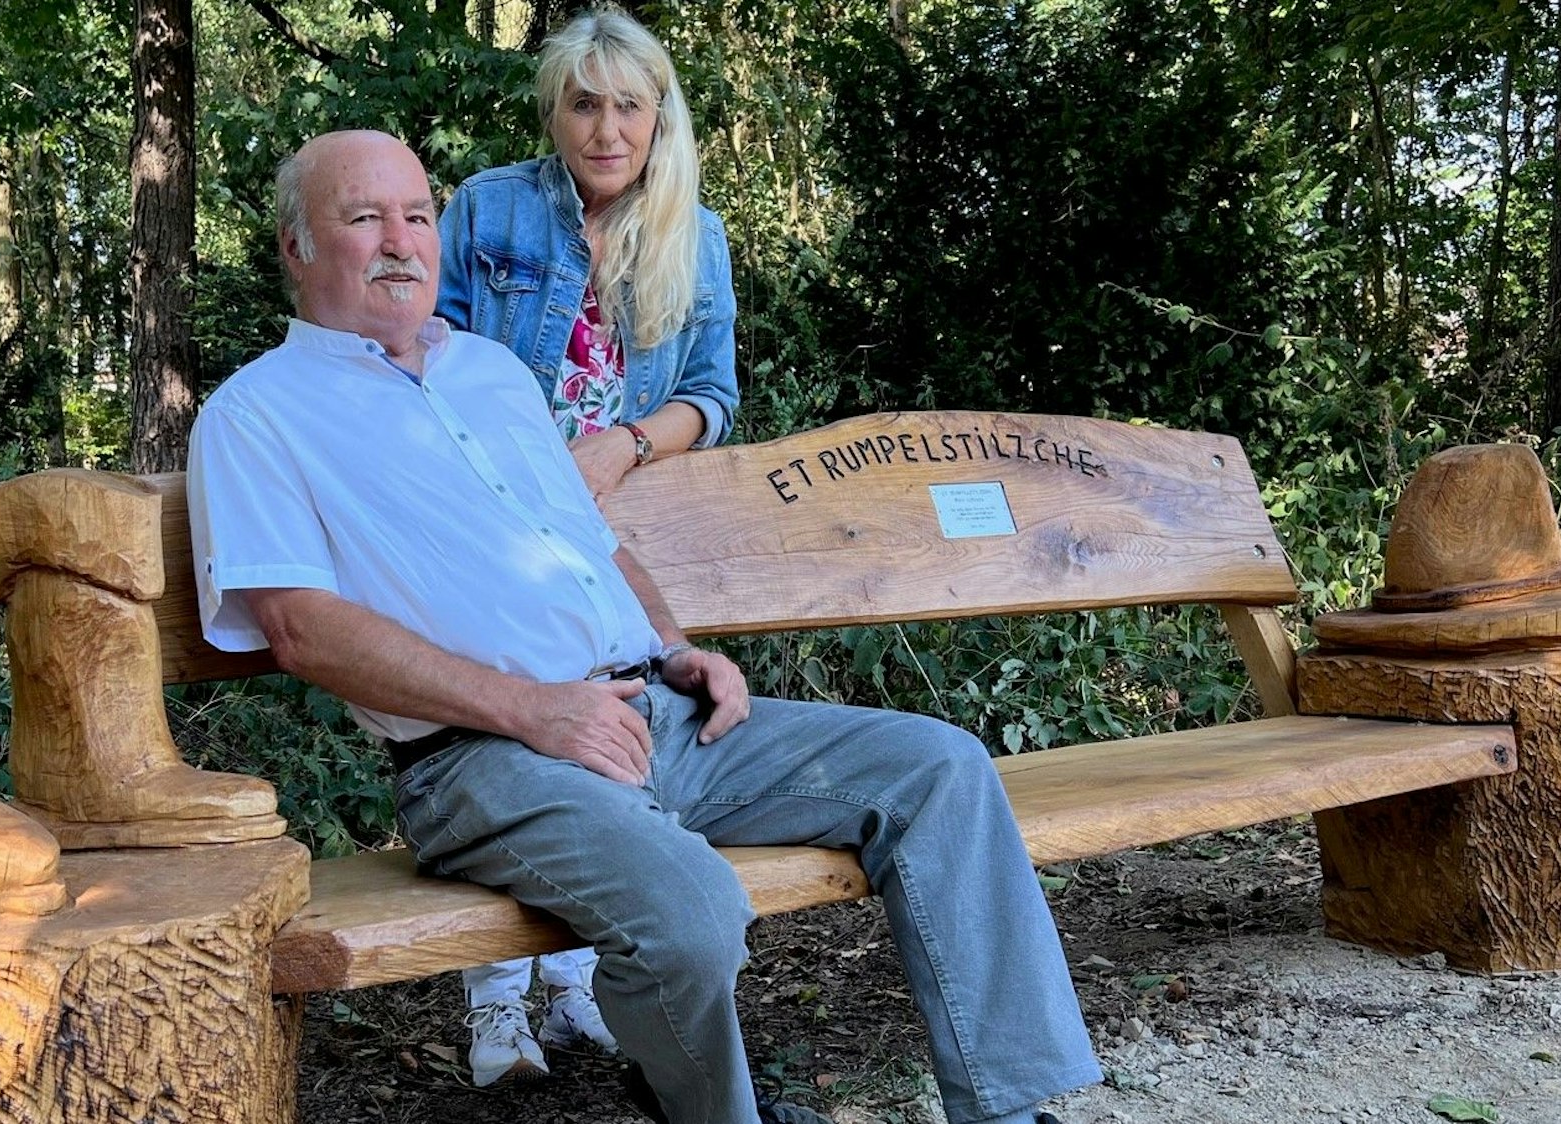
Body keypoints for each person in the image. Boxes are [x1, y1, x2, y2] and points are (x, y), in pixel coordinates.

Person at [187, 128, 1101, 1124]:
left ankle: (1003, 1109)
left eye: (417, 214)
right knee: (693, 909)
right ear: (297, 247)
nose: (402, 240)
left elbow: (594, 545)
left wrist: (675, 647)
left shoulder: (489, 374)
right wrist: (537, 710)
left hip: (651, 708)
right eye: (364, 218)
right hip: (485, 760)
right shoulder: (256, 416)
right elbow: (302, 630)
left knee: (940, 768)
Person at [432, 8, 740, 1084]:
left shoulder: (693, 234)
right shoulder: (487, 208)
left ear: (660, 113)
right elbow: (423, 360)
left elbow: (711, 394)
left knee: (601, 726)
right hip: (489, 517)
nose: (606, 127)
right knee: (513, 741)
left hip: (602, 526)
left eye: (628, 103)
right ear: (555, 110)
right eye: (583, 102)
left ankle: (568, 989)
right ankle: (495, 1007)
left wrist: (623, 444)